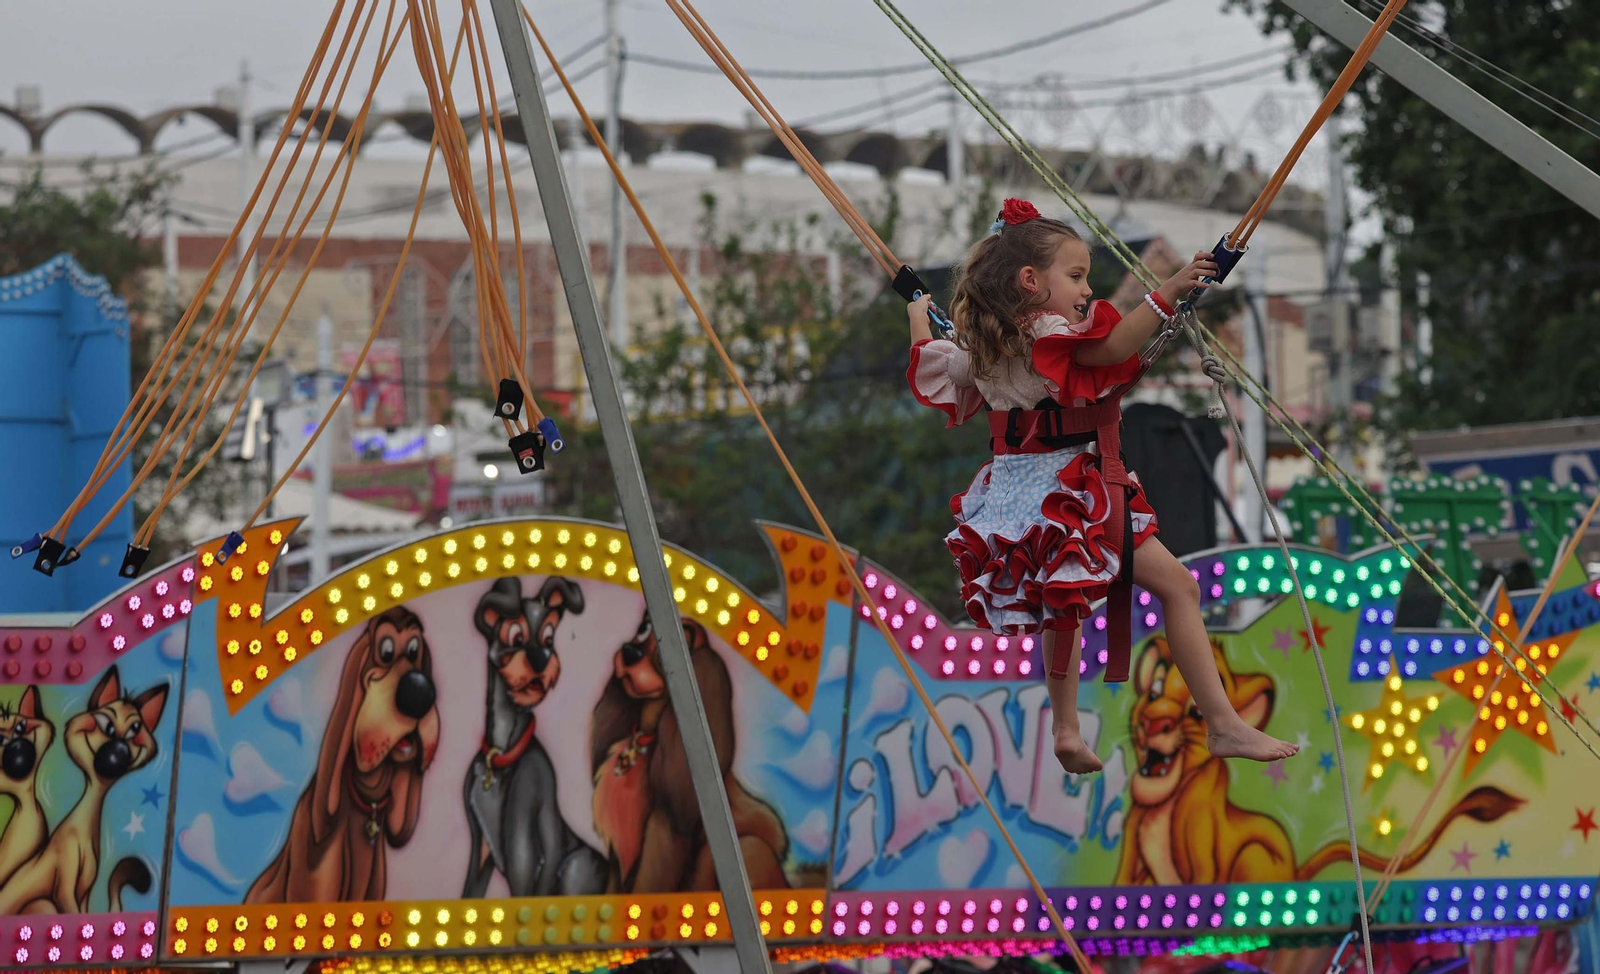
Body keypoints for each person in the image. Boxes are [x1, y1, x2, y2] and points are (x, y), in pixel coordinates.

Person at [906, 198, 1298, 774]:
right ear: (1030, 281)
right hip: (1070, 487)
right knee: (1179, 590)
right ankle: (1222, 723)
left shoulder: (981, 344)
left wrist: (916, 305)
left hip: (1014, 492)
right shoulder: (1045, 331)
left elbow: (929, 353)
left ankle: (1066, 728)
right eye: (1076, 276)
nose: (1087, 291)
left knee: (1064, 608)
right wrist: (1167, 292)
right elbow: (1113, 348)